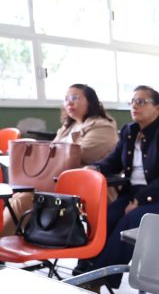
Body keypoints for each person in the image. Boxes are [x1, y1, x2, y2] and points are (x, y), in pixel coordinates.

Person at [75, 85, 159, 289]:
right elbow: (113, 162)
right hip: (135, 194)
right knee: (104, 218)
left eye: (141, 102)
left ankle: (102, 276)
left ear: (158, 108)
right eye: (132, 102)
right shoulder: (129, 131)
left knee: (132, 221)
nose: (135, 106)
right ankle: (85, 269)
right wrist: (94, 168)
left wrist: (141, 200)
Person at [1, 84, 118, 236]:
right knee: (16, 197)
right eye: (66, 99)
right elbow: (54, 156)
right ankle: (7, 244)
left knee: (23, 200)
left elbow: (80, 155)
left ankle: (3, 247)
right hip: (55, 181)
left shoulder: (103, 127)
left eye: (75, 98)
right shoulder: (68, 127)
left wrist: (47, 157)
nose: (69, 102)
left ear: (90, 101)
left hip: (84, 187)